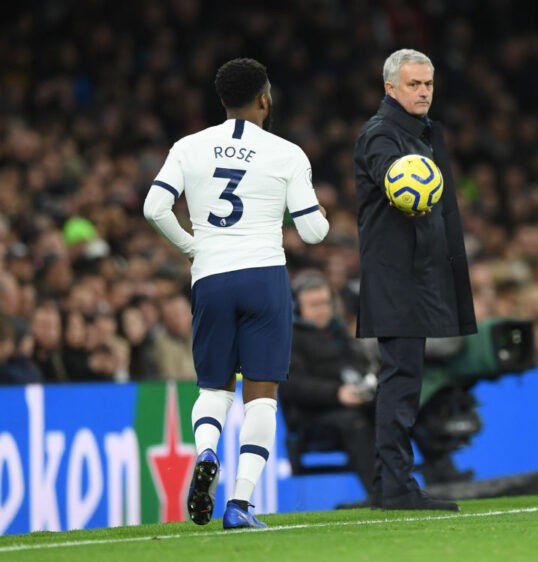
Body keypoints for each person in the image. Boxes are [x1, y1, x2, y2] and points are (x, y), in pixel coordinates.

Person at [144, 58, 329, 529]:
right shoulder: (287, 154)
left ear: (222, 100)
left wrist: (192, 246)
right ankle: (240, 504)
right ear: (265, 99)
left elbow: (154, 207)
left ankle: (207, 450)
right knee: (261, 395)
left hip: (211, 276)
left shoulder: (189, 147)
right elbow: (312, 233)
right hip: (263, 276)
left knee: (213, 387)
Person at [354, 48, 477, 511]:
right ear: (390, 88)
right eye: (413, 85)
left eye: (427, 84)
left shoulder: (422, 132)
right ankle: (397, 487)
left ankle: (391, 485)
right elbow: (392, 175)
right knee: (401, 380)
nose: (423, 92)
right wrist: (404, 187)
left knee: (404, 379)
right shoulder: (382, 134)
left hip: (416, 273)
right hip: (396, 275)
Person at [279, 271, 377, 501]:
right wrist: (337, 394)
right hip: (311, 420)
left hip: (352, 405)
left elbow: (360, 364)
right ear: (297, 307)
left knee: (390, 410)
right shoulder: (289, 337)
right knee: (355, 423)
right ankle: (379, 492)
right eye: (314, 305)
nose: (322, 310)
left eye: (324, 303)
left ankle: (420, 477)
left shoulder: (338, 330)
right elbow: (292, 386)